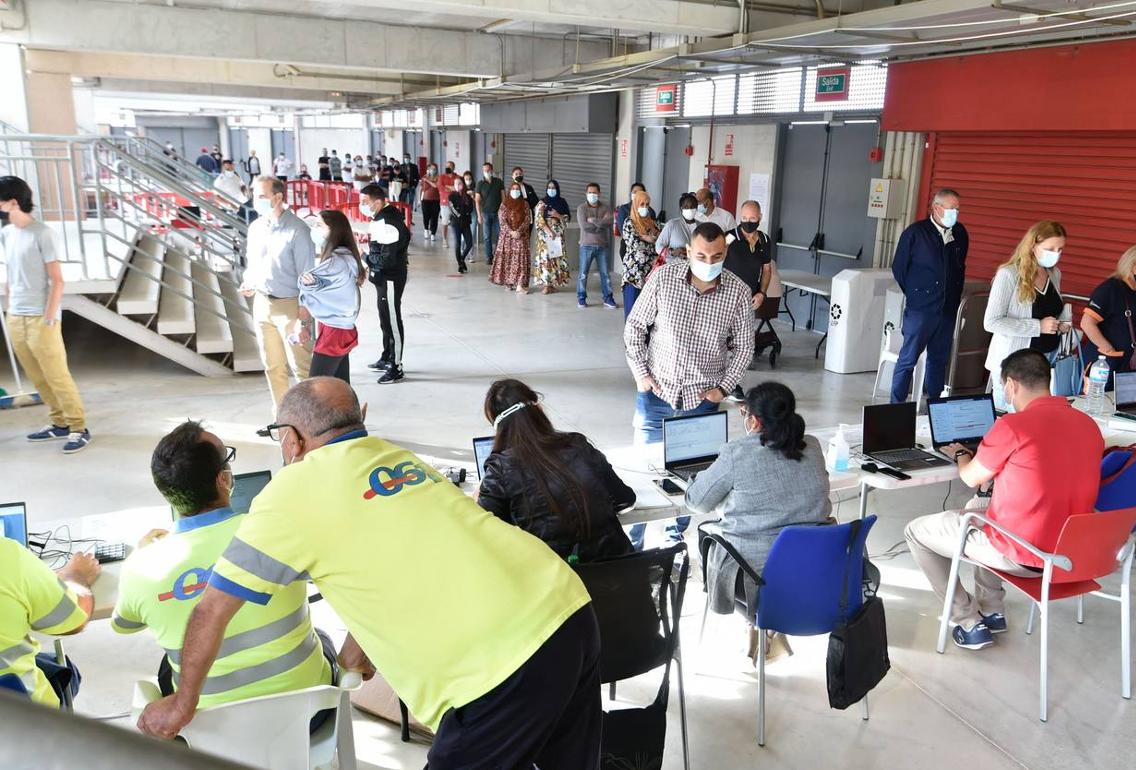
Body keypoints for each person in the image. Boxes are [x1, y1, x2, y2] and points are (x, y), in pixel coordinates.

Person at [136, 378, 602, 769]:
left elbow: (213, 609)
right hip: (565, 605)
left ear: (291, 439)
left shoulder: (291, 492)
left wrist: (182, 703)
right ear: (359, 416)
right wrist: (362, 643)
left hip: (498, 667)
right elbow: (407, 552)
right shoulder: (397, 458)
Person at [113, 423, 334, 709]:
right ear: (225, 479)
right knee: (321, 636)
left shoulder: (139, 568)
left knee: (169, 667)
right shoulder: (278, 532)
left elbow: (125, 625)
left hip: (207, 728)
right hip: (308, 714)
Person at [904, 349, 1103, 650]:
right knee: (978, 508)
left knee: (917, 532)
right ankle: (993, 610)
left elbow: (972, 477)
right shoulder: (1088, 425)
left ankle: (967, 621)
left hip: (1024, 554)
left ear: (1011, 385)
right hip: (1070, 553)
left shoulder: (1012, 426)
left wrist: (960, 454)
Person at [624, 222, 755, 546]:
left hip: (702, 399)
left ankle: (673, 539)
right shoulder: (664, 278)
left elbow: (744, 347)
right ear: (688, 252)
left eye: (717, 256)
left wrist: (723, 388)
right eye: (701, 255)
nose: (709, 263)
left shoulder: (737, 292)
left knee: (691, 477)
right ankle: (633, 541)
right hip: (657, 394)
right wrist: (642, 375)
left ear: (725, 253)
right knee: (644, 472)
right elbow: (635, 328)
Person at [686, 382, 830, 658]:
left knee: (708, 536)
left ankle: (761, 620)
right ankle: (767, 623)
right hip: (816, 570)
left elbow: (697, 502)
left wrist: (698, 479)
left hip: (758, 577)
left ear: (754, 420)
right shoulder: (812, 446)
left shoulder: (737, 452)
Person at [477, 379, 635, 562]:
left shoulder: (500, 469)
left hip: (561, 584)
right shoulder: (578, 445)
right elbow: (625, 499)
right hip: (624, 579)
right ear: (539, 409)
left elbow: (486, 535)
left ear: (499, 428)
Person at [1, 176, 92, 453]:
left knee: (57, 375)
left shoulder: (43, 233)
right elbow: (12, 272)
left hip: (42, 317)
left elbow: (57, 280)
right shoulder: (6, 234)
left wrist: (49, 318)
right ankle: (58, 422)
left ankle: (78, 427)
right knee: (37, 376)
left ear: (13, 202)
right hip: (15, 315)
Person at [239, 176, 315, 409]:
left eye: (261, 196)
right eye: (254, 195)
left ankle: (310, 418)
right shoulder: (255, 228)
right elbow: (252, 264)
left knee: (302, 368)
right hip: (262, 303)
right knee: (273, 366)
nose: (256, 200)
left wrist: (303, 315)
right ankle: (281, 418)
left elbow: (307, 275)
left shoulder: (298, 231)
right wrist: (248, 281)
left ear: (278, 197)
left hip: (290, 306)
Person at [889, 188, 969, 405]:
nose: (955, 213)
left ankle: (935, 405)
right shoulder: (916, 233)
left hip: (947, 310)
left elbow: (960, 268)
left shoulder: (959, 233)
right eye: (951, 209)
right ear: (936, 208)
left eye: (958, 209)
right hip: (921, 310)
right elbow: (899, 269)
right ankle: (896, 406)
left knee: (938, 360)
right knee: (908, 359)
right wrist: (917, 294)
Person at [983, 221, 1072, 410]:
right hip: (1015, 363)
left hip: (1045, 362)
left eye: (1060, 249)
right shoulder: (1009, 275)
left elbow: (1051, 309)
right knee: (1010, 421)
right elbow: (991, 322)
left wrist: (1062, 322)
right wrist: (1037, 326)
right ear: (1033, 246)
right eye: (1050, 248)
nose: (1056, 254)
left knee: (1040, 419)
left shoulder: (1054, 274)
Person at [0, 542, 98, 708]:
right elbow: (75, 620)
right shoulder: (7, 556)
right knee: (66, 670)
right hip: (24, 717)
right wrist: (76, 574)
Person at [1080, 243, 1136, 382]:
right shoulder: (1110, 289)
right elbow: (1087, 323)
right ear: (1132, 264)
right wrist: (1108, 349)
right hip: (1110, 362)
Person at [299, 210, 364, 383]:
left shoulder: (337, 262)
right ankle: (350, 411)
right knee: (340, 386)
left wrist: (307, 284)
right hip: (339, 327)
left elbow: (313, 282)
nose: (315, 229)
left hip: (334, 330)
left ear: (334, 231)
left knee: (317, 387)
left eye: (319, 225)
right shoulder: (345, 256)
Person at [359, 183, 411, 385]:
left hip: (391, 277)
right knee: (384, 318)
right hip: (383, 277)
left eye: (365, 202)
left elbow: (387, 260)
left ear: (378, 202)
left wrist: (365, 257)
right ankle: (387, 356)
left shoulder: (388, 222)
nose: (362, 206)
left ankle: (396, 366)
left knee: (392, 321)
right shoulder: (380, 217)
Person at [723, 200, 772, 310]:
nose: (748, 222)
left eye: (752, 218)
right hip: (727, 298)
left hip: (749, 299)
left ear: (760, 217)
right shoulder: (730, 237)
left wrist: (762, 293)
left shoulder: (764, 240)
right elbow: (716, 261)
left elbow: (767, 269)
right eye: (744, 218)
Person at [575, 182, 617, 309]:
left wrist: (593, 221)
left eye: (595, 192)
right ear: (586, 194)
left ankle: (608, 298)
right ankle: (581, 298)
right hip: (586, 245)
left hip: (602, 246)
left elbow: (609, 223)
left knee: (605, 274)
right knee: (583, 274)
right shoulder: (581, 208)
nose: (592, 195)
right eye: (590, 192)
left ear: (599, 193)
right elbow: (584, 226)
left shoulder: (606, 208)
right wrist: (601, 224)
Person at [620, 190, 659, 317]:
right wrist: (648, 239)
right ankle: (629, 337)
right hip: (634, 275)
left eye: (647, 205)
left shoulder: (652, 223)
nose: (645, 208)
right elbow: (635, 245)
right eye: (641, 204)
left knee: (646, 312)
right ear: (635, 204)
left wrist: (643, 236)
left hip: (650, 274)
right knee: (632, 312)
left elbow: (659, 242)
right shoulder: (629, 223)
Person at [490, 180, 533, 294]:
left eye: (517, 190)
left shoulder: (525, 204)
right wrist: (511, 232)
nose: (515, 191)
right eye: (513, 189)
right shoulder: (504, 204)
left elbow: (527, 220)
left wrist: (518, 231)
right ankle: (508, 282)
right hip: (507, 238)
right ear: (509, 191)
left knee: (520, 260)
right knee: (508, 259)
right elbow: (502, 221)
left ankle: (519, 285)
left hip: (521, 236)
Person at [534, 179, 571, 295]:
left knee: (556, 260)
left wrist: (558, 215)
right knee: (546, 259)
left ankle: (552, 284)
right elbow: (538, 219)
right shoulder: (542, 203)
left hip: (558, 237)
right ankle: (546, 285)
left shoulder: (562, 202)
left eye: (553, 188)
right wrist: (549, 231)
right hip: (545, 236)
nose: (551, 190)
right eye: (549, 188)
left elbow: (567, 218)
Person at [655, 192, 698, 262]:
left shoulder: (702, 226)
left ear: (696, 208)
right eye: (686, 207)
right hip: (674, 268)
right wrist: (673, 252)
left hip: (695, 269)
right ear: (681, 208)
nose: (689, 209)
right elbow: (658, 246)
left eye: (692, 206)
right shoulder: (672, 224)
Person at [477, 162, 504, 265]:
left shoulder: (499, 182)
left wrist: (503, 212)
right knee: (487, 237)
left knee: (499, 235)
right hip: (486, 213)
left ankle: (496, 255)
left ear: (492, 170)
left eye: (488, 170)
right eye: (485, 170)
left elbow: (503, 198)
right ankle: (489, 257)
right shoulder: (480, 184)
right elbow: (477, 201)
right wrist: (479, 215)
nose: (487, 172)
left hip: (498, 213)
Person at [615, 182, 645, 268]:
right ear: (631, 193)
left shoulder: (649, 211)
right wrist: (643, 236)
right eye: (634, 192)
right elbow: (623, 231)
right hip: (628, 248)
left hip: (645, 251)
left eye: (639, 192)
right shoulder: (623, 209)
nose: (637, 194)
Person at [449, 176, 475, 274]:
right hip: (455, 223)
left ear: (463, 184)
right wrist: (460, 214)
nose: (458, 185)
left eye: (460, 183)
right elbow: (452, 208)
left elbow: (470, 208)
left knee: (469, 243)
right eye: (456, 184)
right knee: (458, 244)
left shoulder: (467, 196)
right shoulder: (451, 195)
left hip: (466, 223)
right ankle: (460, 265)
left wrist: (465, 213)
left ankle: (462, 259)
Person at [438, 161, 458, 248]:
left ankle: (457, 239)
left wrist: (448, 187)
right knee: (445, 222)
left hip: (456, 203)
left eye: (450, 166)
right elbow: (442, 188)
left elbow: (459, 188)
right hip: (444, 202)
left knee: (457, 222)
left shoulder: (457, 177)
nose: (448, 167)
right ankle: (444, 240)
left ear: (453, 168)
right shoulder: (441, 177)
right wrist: (453, 188)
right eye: (447, 166)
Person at [461, 170, 479, 263]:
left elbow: (478, 202)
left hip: (473, 213)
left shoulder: (475, 189)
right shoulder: (460, 189)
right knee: (463, 235)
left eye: (470, 179)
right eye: (466, 179)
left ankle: (471, 254)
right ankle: (462, 250)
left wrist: (473, 196)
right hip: (464, 214)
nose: (468, 180)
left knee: (472, 234)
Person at [418, 166, 440, 241]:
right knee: (426, 216)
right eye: (431, 169)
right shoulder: (424, 177)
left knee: (434, 217)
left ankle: (433, 233)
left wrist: (427, 180)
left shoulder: (438, 178)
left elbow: (436, 186)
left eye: (434, 169)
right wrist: (419, 200)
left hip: (436, 200)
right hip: (425, 200)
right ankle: (426, 229)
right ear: (428, 169)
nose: (433, 170)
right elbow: (422, 189)